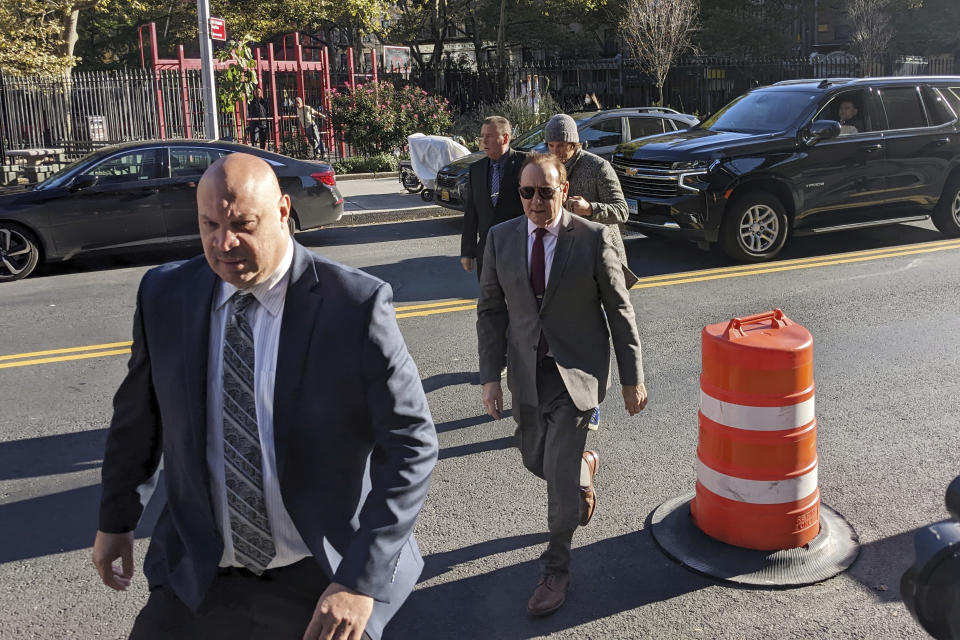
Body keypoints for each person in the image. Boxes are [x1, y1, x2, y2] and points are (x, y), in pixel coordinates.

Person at [92, 153, 438, 640]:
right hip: (200, 569)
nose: (223, 242)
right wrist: (116, 519)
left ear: (282, 212)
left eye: (242, 224)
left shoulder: (353, 306)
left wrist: (358, 581)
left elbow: (410, 444)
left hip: (316, 575)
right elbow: (139, 419)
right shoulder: (166, 295)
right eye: (209, 224)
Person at [476, 153, 647, 617]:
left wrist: (633, 377)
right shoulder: (500, 238)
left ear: (565, 190)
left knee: (557, 480)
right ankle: (584, 470)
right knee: (535, 457)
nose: (536, 200)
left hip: (577, 374)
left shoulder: (591, 238)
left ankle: (556, 569)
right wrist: (490, 376)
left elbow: (618, 309)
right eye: (527, 192)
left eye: (546, 191)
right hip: (527, 373)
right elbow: (491, 312)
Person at [460, 115, 528, 279]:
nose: (484, 141)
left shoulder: (525, 163)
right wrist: (467, 252)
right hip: (487, 251)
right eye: (482, 136)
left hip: (518, 250)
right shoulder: (476, 169)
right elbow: (471, 212)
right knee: (488, 302)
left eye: (489, 136)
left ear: (505, 138)